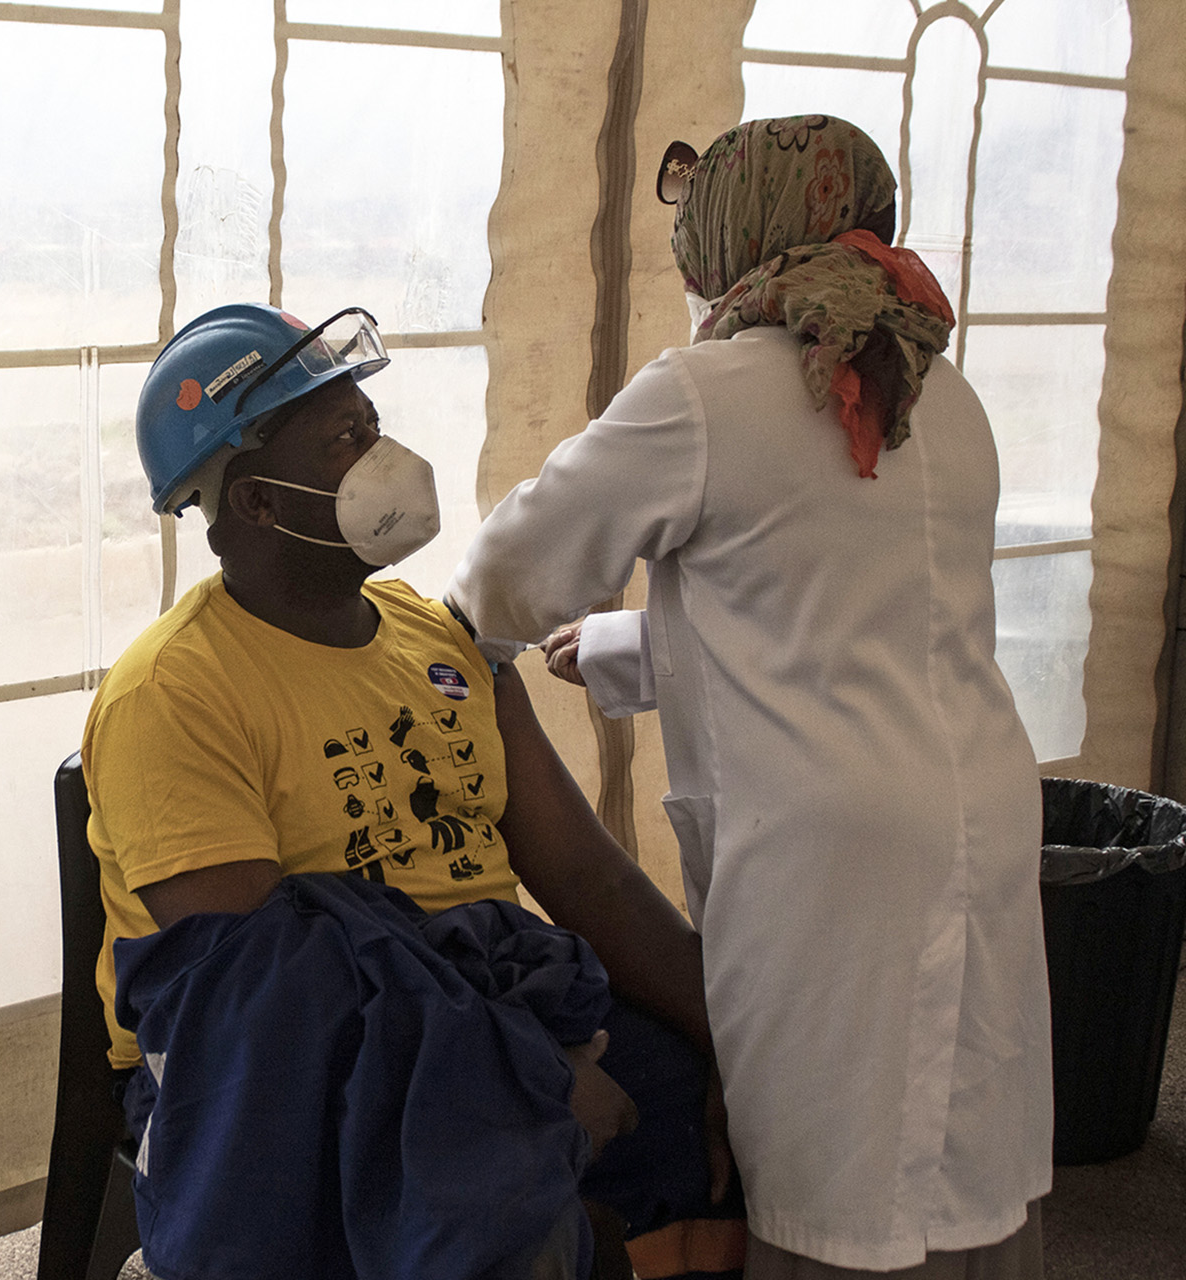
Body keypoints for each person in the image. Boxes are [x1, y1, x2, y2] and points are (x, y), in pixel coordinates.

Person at [445, 116, 1052, 1278]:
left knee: (837, 1172)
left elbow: (509, 572)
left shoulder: (711, 391)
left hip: (830, 855)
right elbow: (855, 607)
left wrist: (458, 635)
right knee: (960, 1137)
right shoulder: (933, 384)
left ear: (730, 234)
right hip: (976, 804)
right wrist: (628, 648)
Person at [83, 302, 746, 1279]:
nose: (383, 456)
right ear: (259, 501)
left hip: (478, 1005)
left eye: (373, 426)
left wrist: (733, 1035)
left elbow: (589, 880)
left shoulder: (443, 640)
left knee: (700, 1111)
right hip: (277, 1068)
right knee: (496, 1202)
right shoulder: (174, 694)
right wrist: (521, 1080)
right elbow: (273, 995)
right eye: (345, 440)